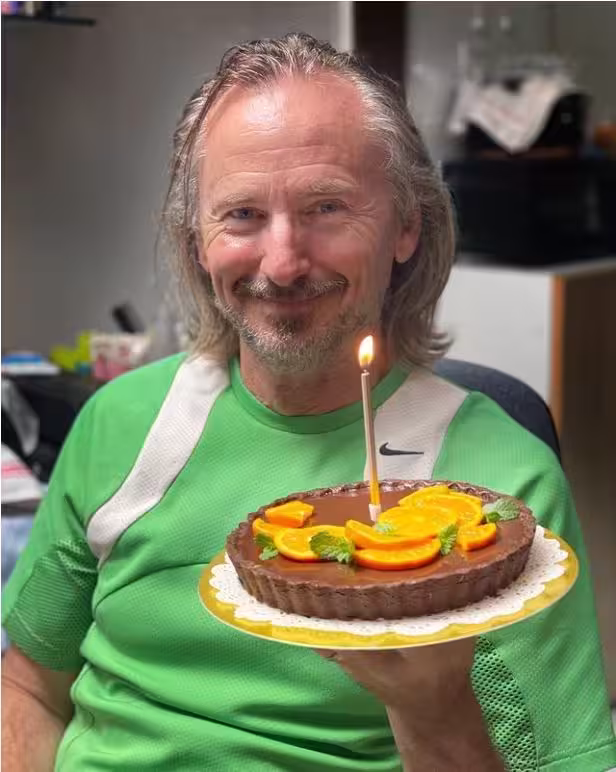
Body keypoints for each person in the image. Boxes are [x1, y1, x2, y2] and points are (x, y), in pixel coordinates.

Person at [2, 33, 615, 772]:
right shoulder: (120, 424)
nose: (284, 262)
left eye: (327, 207)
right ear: (197, 240)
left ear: (407, 226)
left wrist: (435, 709)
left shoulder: (497, 499)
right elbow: (28, 690)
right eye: (241, 215)